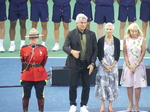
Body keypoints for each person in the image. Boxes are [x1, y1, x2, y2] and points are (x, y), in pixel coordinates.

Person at [63, 13, 97, 112]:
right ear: (77, 23)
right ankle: (73, 104)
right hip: (74, 64)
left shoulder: (92, 34)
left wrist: (92, 63)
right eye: (81, 23)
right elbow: (65, 47)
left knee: (86, 86)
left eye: (85, 23)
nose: (83, 24)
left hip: (87, 64)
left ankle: (83, 105)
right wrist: (72, 51)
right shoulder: (71, 33)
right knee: (73, 85)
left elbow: (96, 50)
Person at [120, 23, 147, 111]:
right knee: (129, 85)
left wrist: (137, 64)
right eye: (132, 31)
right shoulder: (126, 39)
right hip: (128, 65)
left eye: (135, 31)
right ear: (129, 31)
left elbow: (143, 53)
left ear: (138, 31)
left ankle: (136, 105)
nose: (134, 33)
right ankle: (130, 104)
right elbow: (124, 53)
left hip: (138, 65)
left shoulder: (142, 39)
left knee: (138, 86)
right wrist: (128, 64)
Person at [20, 28, 48, 112]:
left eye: (35, 37)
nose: (33, 39)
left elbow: (44, 61)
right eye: (32, 38)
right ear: (29, 39)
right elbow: (22, 61)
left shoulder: (43, 49)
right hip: (27, 74)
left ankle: (41, 110)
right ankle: (25, 110)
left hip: (40, 74)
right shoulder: (23, 49)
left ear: (38, 38)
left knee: (40, 95)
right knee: (26, 95)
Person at [95, 23, 120, 112]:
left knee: (112, 85)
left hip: (113, 65)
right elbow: (99, 54)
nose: (109, 31)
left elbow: (117, 55)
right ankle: (102, 106)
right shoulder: (101, 40)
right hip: (103, 66)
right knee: (102, 85)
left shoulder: (117, 41)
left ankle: (110, 106)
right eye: (107, 29)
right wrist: (105, 65)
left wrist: (112, 66)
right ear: (105, 30)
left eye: (110, 29)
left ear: (113, 30)